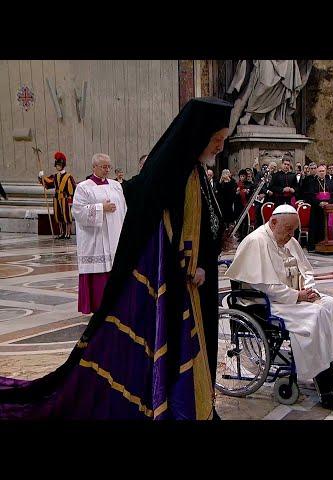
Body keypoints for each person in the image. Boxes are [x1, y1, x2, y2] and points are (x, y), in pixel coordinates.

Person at [0, 98, 233, 420]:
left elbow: (202, 219)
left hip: (197, 282)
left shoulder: (195, 170)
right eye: (217, 139)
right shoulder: (173, 172)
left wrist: (218, 237)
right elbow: (165, 233)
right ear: (199, 136)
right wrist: (191, 265)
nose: (221, 147)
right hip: (182, 284)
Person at [225, 204, 333, 409]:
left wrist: (309, 290)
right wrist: (297, 296)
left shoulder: (288, 239)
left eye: (294, 230)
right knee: (316, 314)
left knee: (332, 305)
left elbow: (306, 270)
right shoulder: (256, 241)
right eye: (288, 230)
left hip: (295, 297)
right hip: (267, 304)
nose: (291, 235)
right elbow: (266, 286)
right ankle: (326, 385)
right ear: (273, 223)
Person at [71, 154, 127, 314]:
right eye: (104, 167)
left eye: (109, 166)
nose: (107, 170)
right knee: (99, 275)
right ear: (94, 167)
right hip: (96, 238)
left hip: (115, 236)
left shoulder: (116, 185)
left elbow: (123, 209)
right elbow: (78, 212)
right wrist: (101, 208)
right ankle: (97, 306)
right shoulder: (84, 187)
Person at [37, 151, 77, 240]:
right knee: (58, 216)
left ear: (62, 165)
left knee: (66, 216)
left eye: (59, 165)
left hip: (65, 198)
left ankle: (67, 233)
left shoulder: (68, 176)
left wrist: (70, 199)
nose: (58, 167)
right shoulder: (55, 176)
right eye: (57, 165)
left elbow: (72, 189)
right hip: (57, 198)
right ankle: (61, 232)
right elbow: (48, 183)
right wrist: (41, 177)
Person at [305, 164, 333, 251]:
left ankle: (326, 243)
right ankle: (314, 246)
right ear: (317, 172)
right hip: (316, 208)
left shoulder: (330, 182)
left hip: (327, 208)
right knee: (316, 226)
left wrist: (328, 202)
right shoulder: (313, 182)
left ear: (325, 172)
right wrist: (319, 203)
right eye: (320, 171)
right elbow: (310, 196)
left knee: (325, 226)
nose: (322, 173)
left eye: (323, 171)